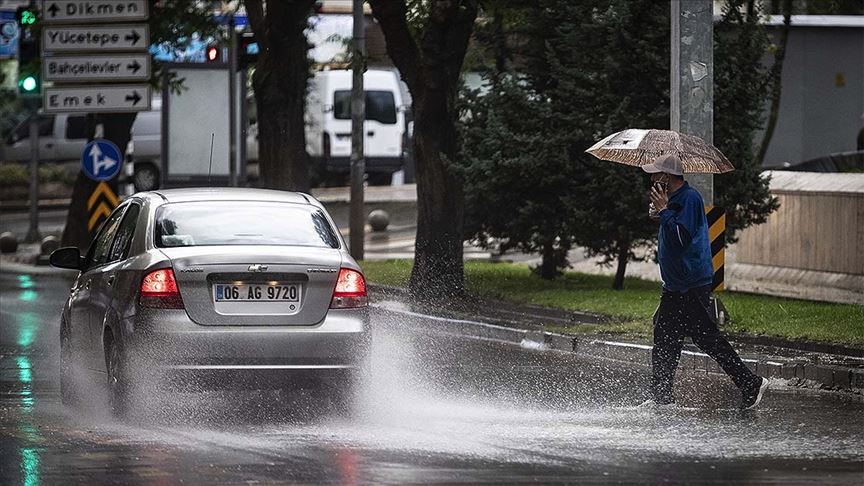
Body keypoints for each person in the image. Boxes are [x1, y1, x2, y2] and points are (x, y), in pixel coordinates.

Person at [640, 154, 768, 410]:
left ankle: (751, 383)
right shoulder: (673, 199)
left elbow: (680, 238)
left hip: (690, 283)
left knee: (706, 338)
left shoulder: (689, 199)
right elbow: (670, 228)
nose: (652, 178)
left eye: (656, 174)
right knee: (665, 338)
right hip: (675, 285)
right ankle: (661, 397)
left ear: (668, 176)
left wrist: (664, 212)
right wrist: (659, 213)